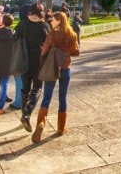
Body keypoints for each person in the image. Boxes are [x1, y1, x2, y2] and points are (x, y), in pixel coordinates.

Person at [31, 11, 80, 143]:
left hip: (52, 67)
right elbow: (76, 52)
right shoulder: (72, 35)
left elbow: (44, 51)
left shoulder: (52, 34)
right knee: (62, 97)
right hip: (65, 68)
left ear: (59, 20)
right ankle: (61, 127)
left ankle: (41, 123)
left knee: (47, 96)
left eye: (53, 20)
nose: (51, 21)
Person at [18, 2, 50, 132]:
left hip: (24, 60)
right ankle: (27, 114)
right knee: (37, 88)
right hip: (38, 62)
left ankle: (23, 114)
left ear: (30, 13)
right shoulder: (44, 26)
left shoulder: (23, 25)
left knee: (25, 89)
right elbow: (49, 44)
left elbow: (15, 39)